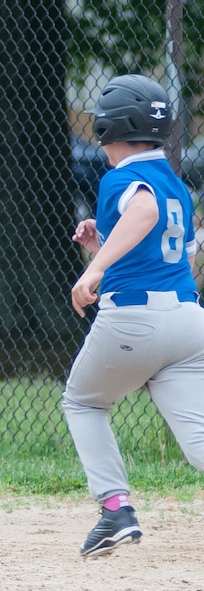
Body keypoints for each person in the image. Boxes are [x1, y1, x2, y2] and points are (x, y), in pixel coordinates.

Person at [63, 73, 204, 558]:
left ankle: (116, 510)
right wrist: (105, 245)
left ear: (108, 128)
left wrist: (93, 270)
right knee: (199, 441)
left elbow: (141, 211)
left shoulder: (122, 179)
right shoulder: (178, 187)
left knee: (83, 403)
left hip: (133, 322)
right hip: (188, 323)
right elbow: (176, 262)